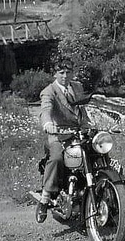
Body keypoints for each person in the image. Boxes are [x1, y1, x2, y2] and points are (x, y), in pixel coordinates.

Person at [36, 60, 91, 223]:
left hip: (78, 131)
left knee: (98, 150)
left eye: (68, 72)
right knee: (57, 157)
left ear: (73, 73)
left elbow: (82, 108)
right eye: (61, 72)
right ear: (55, 74)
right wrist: (48, 124)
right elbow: (45, 110)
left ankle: (105, 192)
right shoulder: (49, 91)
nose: (65, 76)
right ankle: (44, 199)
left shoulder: (78, 87)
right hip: (58, 133)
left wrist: (88, 124)